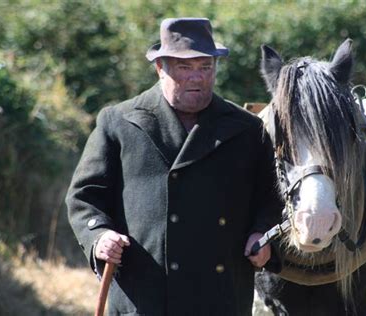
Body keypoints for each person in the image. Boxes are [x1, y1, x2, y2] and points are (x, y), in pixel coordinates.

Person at [66, 17, 282, 316]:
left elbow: (271, 198)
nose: (197, 77)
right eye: (184, 67)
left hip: (219, 297)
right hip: (143, 296)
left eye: (205, 67)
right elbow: (84, 196)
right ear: (160, 68)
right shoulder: (118, 121)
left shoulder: (247, 129)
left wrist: (262, 233)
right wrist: (99, 236)